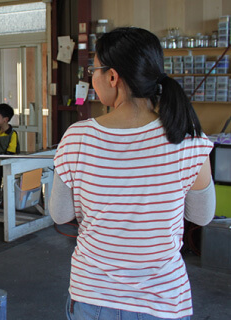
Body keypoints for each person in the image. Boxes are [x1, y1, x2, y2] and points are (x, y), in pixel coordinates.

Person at [49, 27, 215, 320]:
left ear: (112, 77)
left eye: (93, 70)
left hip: (93, 297)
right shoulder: (190, 140)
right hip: (164, 300)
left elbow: (61, 214)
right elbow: (201, 217)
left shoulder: (77, 137)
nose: (91, 78)